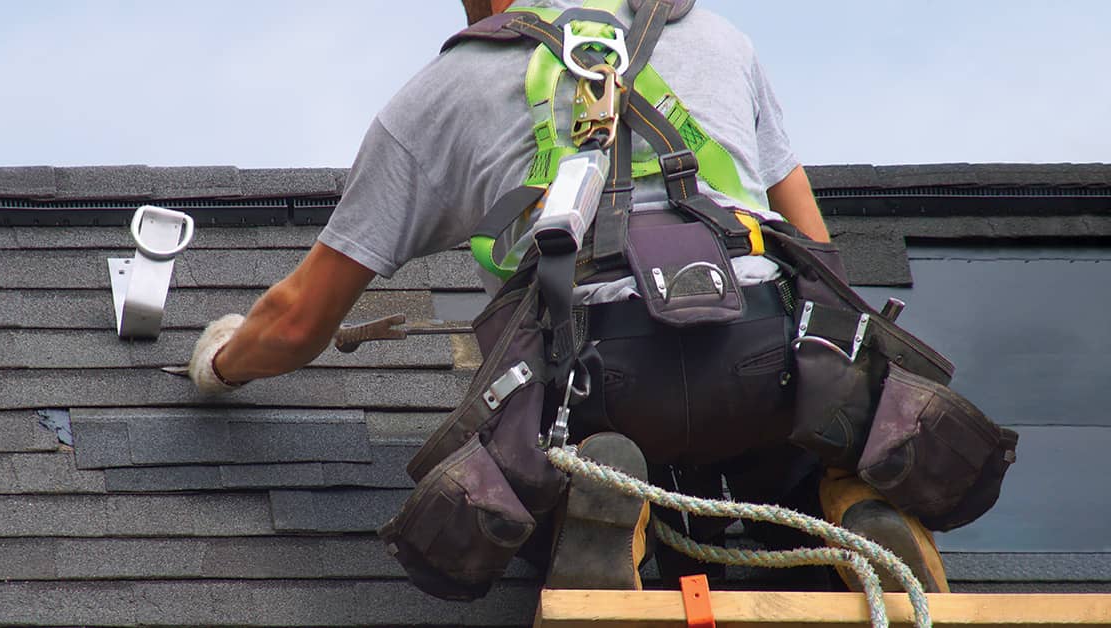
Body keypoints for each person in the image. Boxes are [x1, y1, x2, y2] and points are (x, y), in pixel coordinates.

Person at [187, 0, 948, 594]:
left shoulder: (441, 92)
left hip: (599, 377)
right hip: (765, 359)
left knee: (535, 465)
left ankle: (600, 504)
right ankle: (847, 504)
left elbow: (296, 322)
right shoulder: (720, 39)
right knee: (798, 446)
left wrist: (220, 365)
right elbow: (820, 261)